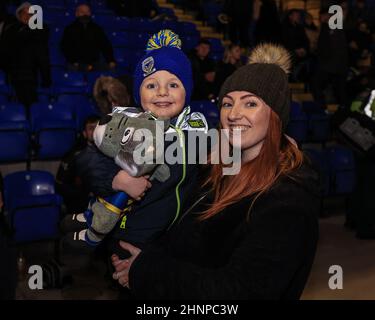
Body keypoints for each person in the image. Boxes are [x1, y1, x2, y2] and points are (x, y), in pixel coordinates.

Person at [111, 43, 320, 299]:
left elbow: (237, 292)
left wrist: (146, 269)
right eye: (227, 103)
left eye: (250, 104)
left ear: (275, 116)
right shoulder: (215, 170)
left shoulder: (287, 200)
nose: (234, 114)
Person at [62, 30, 208, 263]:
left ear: (187, 90)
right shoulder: (129, 122)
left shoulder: (198, 128)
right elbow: (86, 159)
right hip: (131, 237)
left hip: (176, 244)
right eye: (151, 85)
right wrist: (116, 180)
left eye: (173, 84)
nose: (162, 92)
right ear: (138, 92)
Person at [3, 2, 51, 107]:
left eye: (30, 14)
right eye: (24, 13)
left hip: (31, 74)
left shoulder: (40, 29)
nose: (27, 16)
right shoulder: (11, 30)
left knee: (30, 104)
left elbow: (42, 54)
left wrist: (45, 77)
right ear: (19, 15)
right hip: (13, 73)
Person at [56, 115, 101, 215]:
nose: (95, 131)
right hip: (81, 205)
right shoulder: (73, 156)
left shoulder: (111, 153)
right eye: (91, 128)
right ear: (84, 133)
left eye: (98, 127)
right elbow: (61, 185)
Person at [60, 4, 116, 72]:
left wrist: (111, 60)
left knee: (110, 72)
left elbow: (105, 45)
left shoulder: (97, 29)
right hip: (76, 63)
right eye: (82, 12)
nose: (85, 14)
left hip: (95, 63)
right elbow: (65, 47)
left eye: (87, 12)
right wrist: (74, 62)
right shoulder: (69, 29)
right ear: (76, 14)